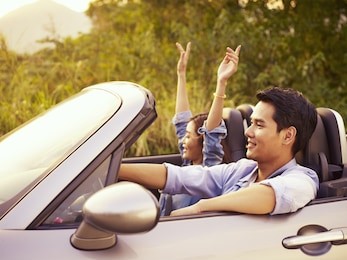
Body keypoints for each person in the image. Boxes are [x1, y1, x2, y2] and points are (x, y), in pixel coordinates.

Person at [119, 55, 319, 218]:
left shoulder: (303, 179)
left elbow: (271, 194)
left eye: (259, 125)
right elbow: (176, 176)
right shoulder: (242, 170)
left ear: (288, 136)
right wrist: (113, 168)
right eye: (251, 123)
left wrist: (200, 208)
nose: (248, 132)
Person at [158, 42, 241, 216]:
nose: (183, 140)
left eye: (188, 137)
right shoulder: (188, 163)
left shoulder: (209, 172)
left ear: (202, 140)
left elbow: (212, 133)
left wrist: (221, 82)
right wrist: (181, 74)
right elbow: (181, 121)